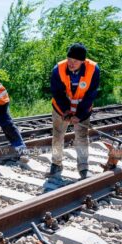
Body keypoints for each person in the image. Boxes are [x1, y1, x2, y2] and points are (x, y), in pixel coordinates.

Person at [50, 43, 100, 179]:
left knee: (82, 137)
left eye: (75, 61)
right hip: (60, 108)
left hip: (82, 107)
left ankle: (83, 168)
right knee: (58, 135)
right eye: (69, 60)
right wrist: (66, 111)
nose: (71, 63)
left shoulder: (93, 69)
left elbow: (90, 94)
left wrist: (79, 115)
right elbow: (57, 93)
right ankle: (56, 163)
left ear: (83, 61)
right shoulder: (58, 69)